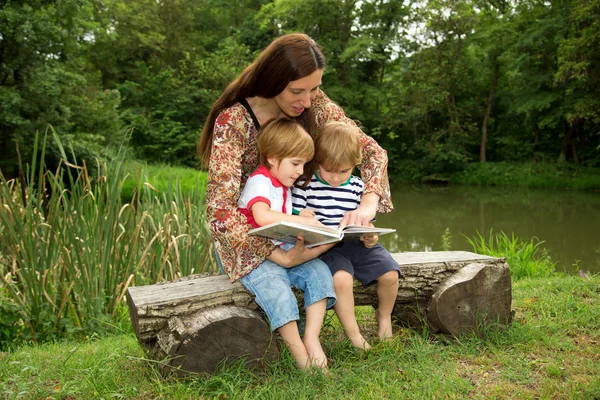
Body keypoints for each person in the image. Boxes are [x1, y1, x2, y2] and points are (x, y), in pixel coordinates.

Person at [197, 33, 394, 364]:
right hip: (250, 241)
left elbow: (372, 153)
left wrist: (367, 205)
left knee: (322, 274)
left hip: (299, 233)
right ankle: (296, 346)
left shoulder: (314, 104)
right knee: (278, 281)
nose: (308, 99)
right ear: (273, 80)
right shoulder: (234, 121)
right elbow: (220, 213)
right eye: (297, 91)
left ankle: (310, 336)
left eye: (315, 88)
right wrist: (277, 255)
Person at [292, 121, 401, 350]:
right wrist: (302, 216)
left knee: (390, 273)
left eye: (344, 171)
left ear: (356, 164)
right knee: (341, 280)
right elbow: (294, 215)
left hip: (356, 243)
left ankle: (384, 317)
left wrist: (370, 235)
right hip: (326, 249)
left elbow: (366, 222)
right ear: (317, 161)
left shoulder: (357, 186)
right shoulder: (305, 185)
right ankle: (355, 336)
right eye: (329, 170)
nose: (335, 178)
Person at [236, 118, 336, 370]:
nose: (300, 171)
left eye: (303, 164)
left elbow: (282, 220)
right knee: (277, 288)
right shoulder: (260, 180)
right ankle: (300, 356)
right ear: (271, 157)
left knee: (319, 272)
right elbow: (262, 216)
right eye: (295, 163)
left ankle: (311, 338)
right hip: (255, 255)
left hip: (280, 249)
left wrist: (304, 220)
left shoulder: (282, 184)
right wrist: (294, 219)